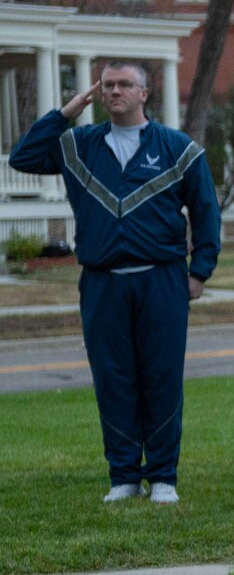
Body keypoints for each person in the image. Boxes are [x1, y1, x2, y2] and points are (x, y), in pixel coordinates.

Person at [7, 61, 220, 505]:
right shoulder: (79, 145)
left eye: (125, 84)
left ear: (145, 93)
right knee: (113, 378)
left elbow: (205, 212)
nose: (115, 91)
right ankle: (123, 475)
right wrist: (66, 111)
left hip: (161, 280)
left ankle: (163, 476)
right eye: (108, 85)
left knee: (161, 378)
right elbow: (23, 156)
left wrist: (199, 271)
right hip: (102, 283)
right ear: (98, 93)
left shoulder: (178, 148)